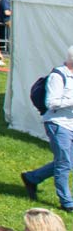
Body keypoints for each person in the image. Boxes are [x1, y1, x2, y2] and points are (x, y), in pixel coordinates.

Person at [24, 45, 73, 209]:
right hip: (58, 124)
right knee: (64, 163)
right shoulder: (58, 76)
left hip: (71, 124)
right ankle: (67, 203)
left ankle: (32, 178)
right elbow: (51, 103)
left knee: (66, 161)